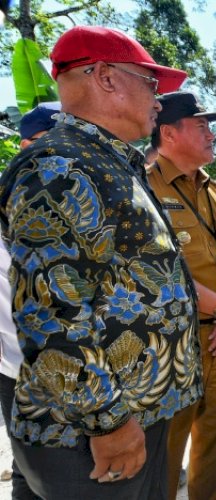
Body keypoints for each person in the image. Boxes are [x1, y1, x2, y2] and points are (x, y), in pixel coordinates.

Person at [0, 26, 200, 498]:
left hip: (128, 416)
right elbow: (52, 318)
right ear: (106, 77)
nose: (159, 100)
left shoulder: (101, 161)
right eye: (151, 84)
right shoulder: (59, 168)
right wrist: (107, 422)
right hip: (91, 437)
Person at [147, 91, 216, 500]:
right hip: (173, 343)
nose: (211, 135)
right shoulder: (144, 188)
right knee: (164, 455)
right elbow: (161, 275)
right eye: (201, 126)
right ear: (169, 133)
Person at [0, 101, 61, 499]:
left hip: (79, 371)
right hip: (19, 368)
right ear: (25, 146)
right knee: (30, 473)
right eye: (48, 143)